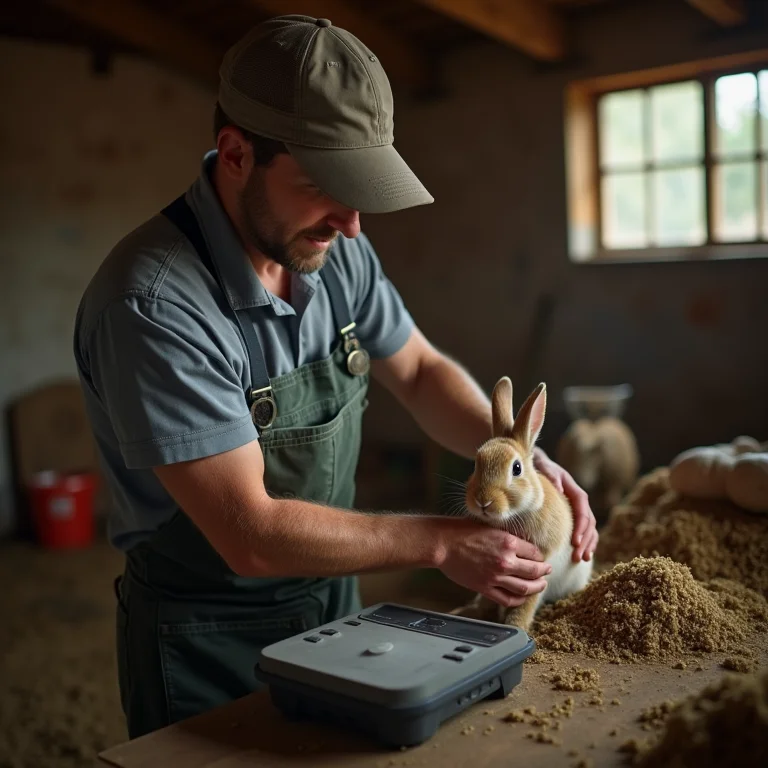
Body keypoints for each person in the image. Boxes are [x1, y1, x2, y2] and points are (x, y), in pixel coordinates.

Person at [73, 14, 597, 739]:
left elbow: (416, 369)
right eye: (328, 186)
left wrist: (519, 458)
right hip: (208, 634)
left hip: (333, 600)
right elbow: (249, 532)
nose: (352, 224)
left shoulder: (333, 249)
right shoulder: (153, 305)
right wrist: (443, 542)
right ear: (234, 152)